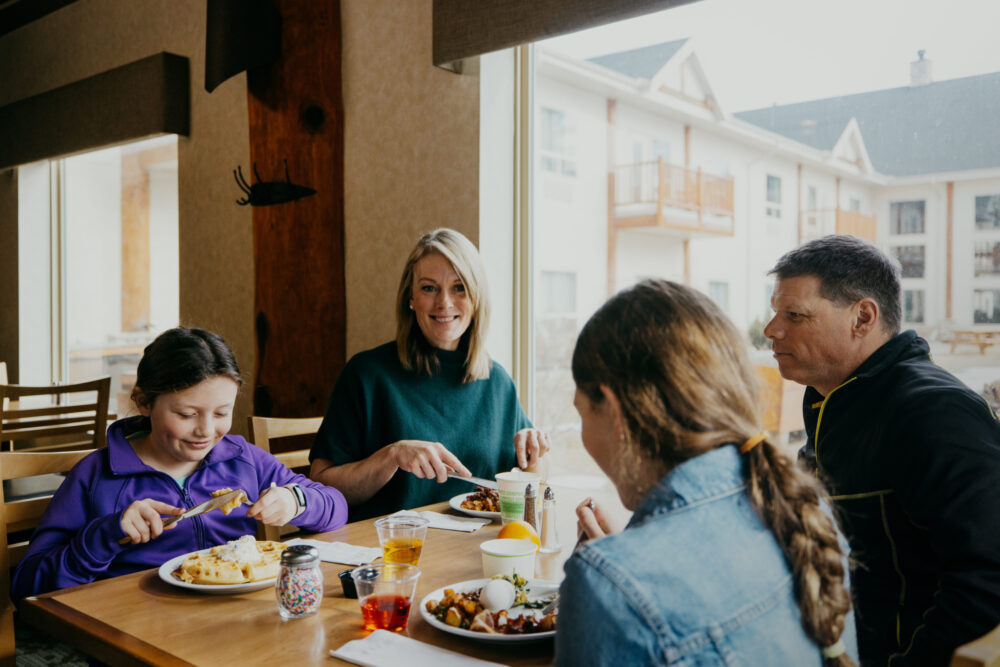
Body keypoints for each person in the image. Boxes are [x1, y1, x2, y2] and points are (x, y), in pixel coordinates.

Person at [558, 279, 857, 666]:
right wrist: (634, 552)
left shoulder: (608, 584)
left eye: (582, 411)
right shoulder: (808, 511)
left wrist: (615, 576)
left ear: (614, 411)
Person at [763, 234, 1000, 666]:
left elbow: (988, 580)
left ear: (863, 317)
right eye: (776, 312)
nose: (771, 330)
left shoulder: (934, 413)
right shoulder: (831, 399)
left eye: (794, 315)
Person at [11, 327, 348, 600]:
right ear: (143, 402)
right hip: (135, 629)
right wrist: (105, 534)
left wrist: (296, 499)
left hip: (236, 621)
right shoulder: (97, 475)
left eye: (221, 413)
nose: (205, 431)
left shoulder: (241, 457)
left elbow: (336, 507)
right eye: (186, 414)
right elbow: (28, 584)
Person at [310, 228, 549, 520]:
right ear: (410, 297)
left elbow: (531, 489)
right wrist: (392, 455)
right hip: (390, 553)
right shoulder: (366, 375)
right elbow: (319, 485)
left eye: (459, 287)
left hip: (474, 552)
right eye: (429, 288)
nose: (444, 303)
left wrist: (534, 452)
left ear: (477, 298)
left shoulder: (497, 382)